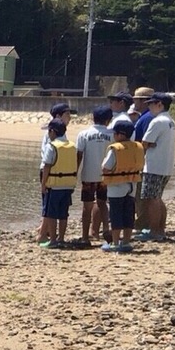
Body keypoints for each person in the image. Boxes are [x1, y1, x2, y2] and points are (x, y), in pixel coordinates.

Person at [134, 92, 175, 243]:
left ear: (160, 104)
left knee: (152, 199)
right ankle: (160, 229)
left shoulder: (157, 121)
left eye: (151, 104)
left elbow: (145, 143)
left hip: (154, 166)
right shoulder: (170, 121)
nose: (149, 107)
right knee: (157, 198)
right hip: (165, 166)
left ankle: (154, 231)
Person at [73, 104, 114, 247]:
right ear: (109, 119)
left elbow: (79, 155)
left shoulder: (84, 134)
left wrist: (75, 173)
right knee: (103, 203)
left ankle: (85, 237)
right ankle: (107, 229)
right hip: (106, 175)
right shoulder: (112, 134)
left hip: (88, 175)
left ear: (92, 118)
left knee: (87, 207)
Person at [100, 119, 143, 252]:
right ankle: (126, 242)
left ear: (120, 135)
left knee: (116, 214)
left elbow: (106, 167)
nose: (114, 136)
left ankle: (115, 242)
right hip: (132, 185)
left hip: (116, 186)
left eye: (115, 133)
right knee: (129, 214)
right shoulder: (138, 147)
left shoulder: (115, 149)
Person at [37, 102, 75, 244]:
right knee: (50, 208)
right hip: (52, 174)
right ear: (58, 116)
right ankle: (43, 232)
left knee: (51, 208)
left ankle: (46, 233)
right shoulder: (52, 136)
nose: (70, 117)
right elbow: (47, 163)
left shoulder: (58, 135)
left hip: (56, 176)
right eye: (67, 114)